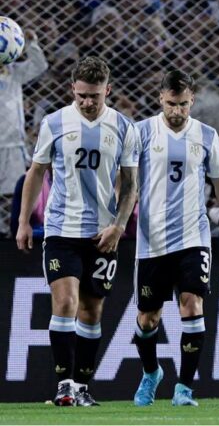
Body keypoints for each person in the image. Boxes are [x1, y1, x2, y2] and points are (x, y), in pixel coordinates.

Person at [16, 56, 139, 406]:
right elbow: (36, 172)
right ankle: (64, 386)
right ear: (72, 89)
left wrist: (118, 226)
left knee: (91, 311)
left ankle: (83, 386)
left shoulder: (124, 127)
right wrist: (24, 221)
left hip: (102, 234)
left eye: (94, 96)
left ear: (107, 91)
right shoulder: (54, 123)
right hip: (61, 229)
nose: (87, 102)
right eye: (81, 95)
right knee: (66, 302)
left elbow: (130, 184)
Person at [131, 70, 219, 407]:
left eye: (183, 104)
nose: (177, 111)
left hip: (193, 237)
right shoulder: (141, 133)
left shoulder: (206, 135)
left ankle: (184, 388)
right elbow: (127, 183)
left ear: (192, 101)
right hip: (152, 241)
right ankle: (151, 372)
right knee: (148, 318)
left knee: (192, 304)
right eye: (171, 104)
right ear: (160, 99)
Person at [0, 29, 48, 237]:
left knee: (13, 192)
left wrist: (31, 44)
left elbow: (39, 65)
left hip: (12, 145)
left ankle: (10, 231)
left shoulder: (14, 72)